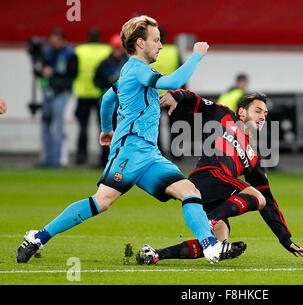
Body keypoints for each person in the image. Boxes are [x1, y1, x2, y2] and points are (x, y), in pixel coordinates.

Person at [16, 15, 243, 265]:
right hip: (130, 151)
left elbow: (108, 99)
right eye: (155, 40)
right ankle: (38, 237)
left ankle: (209, 246)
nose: (160, 45)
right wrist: (197, 54)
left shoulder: (130, 69)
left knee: (190, 192)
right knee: (101, 202)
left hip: (149, 154)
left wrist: (106, 129)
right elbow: (173, 82)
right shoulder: (138, 70)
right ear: (139, 43)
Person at [135, 90, 303, 264]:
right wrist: (176, 95)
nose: (262, 117)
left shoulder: (253, 156)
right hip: (208, 174)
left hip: (216, 192)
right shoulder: (224, 115)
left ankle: (155, 254)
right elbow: (195, 100)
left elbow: (269, 202)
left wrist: (285, 239)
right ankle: (212, 219)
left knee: (218, 245)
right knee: (257, 197)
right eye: (257, 111)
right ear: (242, 112)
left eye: (265, 113)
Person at [39, 29, 78, 167]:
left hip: (61, 91)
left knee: (57, 124)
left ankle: (56, 159)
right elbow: (39, 69)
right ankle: (46, 158)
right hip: (48, 90)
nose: (53, 43)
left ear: (62, 40)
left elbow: (72, 74)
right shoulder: (47, 53)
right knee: (45, 122)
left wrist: (54, 73)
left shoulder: (69, 54)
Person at [73, 28, 112, 166]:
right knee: (104, 127)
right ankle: (104, 157)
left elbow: (73, 69)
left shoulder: (79, 50)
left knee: (83, 127)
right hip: (100, 94)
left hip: (83, 92)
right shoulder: (106, 50)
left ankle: (81, 156)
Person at [94, 33, 129, 166]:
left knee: (122, 135)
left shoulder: (128, 64)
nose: (117, 51)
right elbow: (96, 81)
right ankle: (104, 160)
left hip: (123, 106)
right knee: (106, 131)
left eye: (119, 48)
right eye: (115, 48)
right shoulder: (104, 63)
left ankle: (120, 161)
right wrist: (109, 83)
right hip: (108, 105)